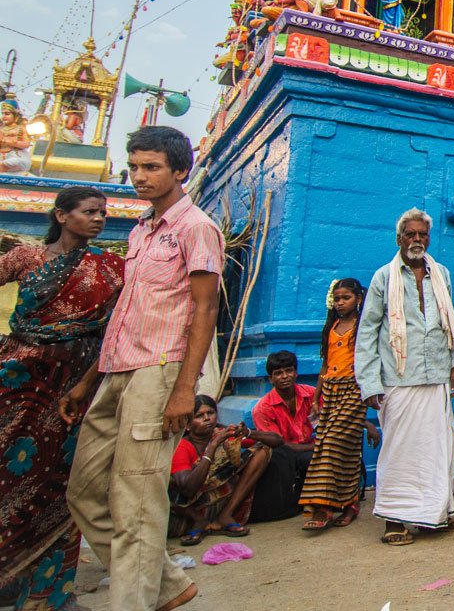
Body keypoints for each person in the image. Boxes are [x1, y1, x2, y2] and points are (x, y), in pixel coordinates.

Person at [66, 126, 223, 611]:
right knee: (86, 490)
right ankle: (167, 585)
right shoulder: (139, 230)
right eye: (134, 167)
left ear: (180, 171)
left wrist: (183, 389)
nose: (139, 177)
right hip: (116, 372)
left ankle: (133, 601)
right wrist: (89, 380)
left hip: (159, 371)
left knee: (137, 501)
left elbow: (205, 310)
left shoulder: (195, 227)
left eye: (152, 167)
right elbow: (126, 314)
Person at [1, 187, 122, 611]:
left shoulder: (111, 266)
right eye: (89, 212)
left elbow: (118, 328)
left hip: (76, 384)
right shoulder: (26, 258)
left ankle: (49, 594)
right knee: (8, 479)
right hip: (18, 380)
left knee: (64, 484)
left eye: (103, 213)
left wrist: (89, 381)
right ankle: (8, 579)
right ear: (62, 215)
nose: (99, 219)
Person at [356, 209, 454, 546]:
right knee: (400, 451)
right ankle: (395, 517)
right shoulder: (383, 278)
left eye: (422, 235)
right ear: (399, 239)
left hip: (436, 375)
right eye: (411, 235)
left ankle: (435, 515)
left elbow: (448, 326)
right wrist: (370, 384)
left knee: (439, 449)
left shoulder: (442, 274)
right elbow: (367, 332)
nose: (417, 240)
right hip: (397, 378)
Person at [301, 278, 378, 530]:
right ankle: (349, 504)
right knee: (341, 448)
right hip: (331, 390)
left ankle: (323, 508)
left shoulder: (363, 327)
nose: (341, 303)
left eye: (346, 298)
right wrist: (316, 397)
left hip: (354, 389)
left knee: (332, 444)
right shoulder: (331, 326)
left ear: (358, 299)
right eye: (337, 298)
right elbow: (325, 365)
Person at [168, 396, 279, 545]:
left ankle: (225, 515)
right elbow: (187, 490)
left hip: (221, 500)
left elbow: (278, 441)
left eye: (211, 413)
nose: (207, 419)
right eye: (199, 416)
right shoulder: (183, 446)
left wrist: (248, 432)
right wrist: (213, 446)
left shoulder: (222, 434)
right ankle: (199, 521)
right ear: (187, 425)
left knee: (263, 450)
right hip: (190, 507)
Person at [246, 350, 317, 523]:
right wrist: (314, 447)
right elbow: (279, 444)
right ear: (271, 379)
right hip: (284, 455)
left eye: (289, 371)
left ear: (296, 373)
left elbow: (336, 413)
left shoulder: (311, 394)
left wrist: (367, 425)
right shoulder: (262, 408)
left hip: (308, 447)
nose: (285, 376)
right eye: (278, 373)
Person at [0, 100, 32, 175]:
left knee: (15, 162)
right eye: (2, 114)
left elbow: (26, 144)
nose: (4, 116)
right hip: (1, 155)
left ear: (15, 115)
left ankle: (3, 167)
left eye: (7, 114)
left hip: (16, 155)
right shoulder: (1, 129)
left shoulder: (21, 128)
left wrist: (13, 143)